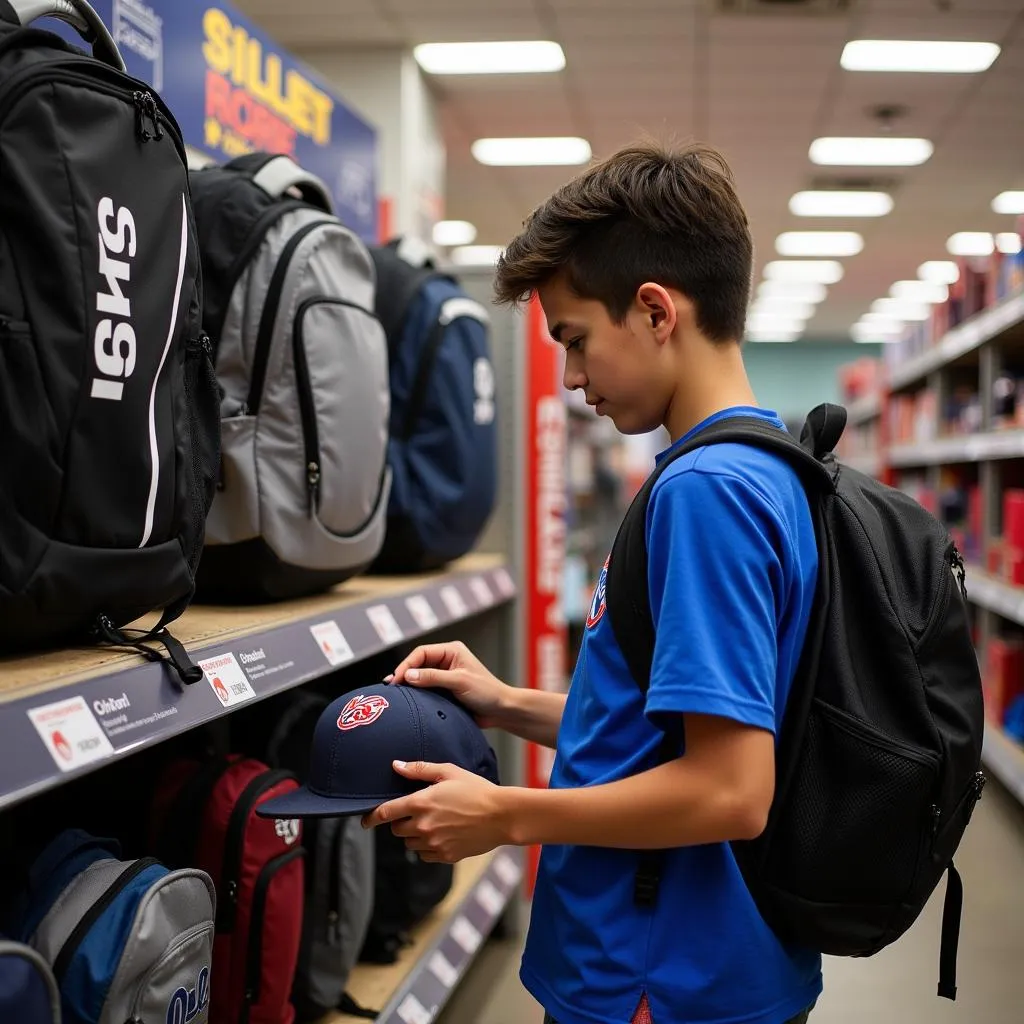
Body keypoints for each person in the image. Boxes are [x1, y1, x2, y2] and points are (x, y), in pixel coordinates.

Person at [362, 142, 822, 1024]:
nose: (572, 381)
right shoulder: (763, 466)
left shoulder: (705, 494)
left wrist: (506, 814)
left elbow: (731, 790)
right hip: (693, 958)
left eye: (575, 341)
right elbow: (675, 725)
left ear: (654, 311)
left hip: (659, 976)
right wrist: (509, 704)